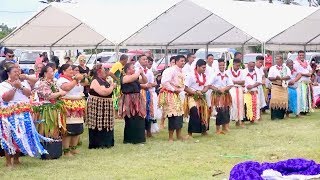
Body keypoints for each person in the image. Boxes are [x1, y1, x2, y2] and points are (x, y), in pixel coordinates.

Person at [0, 65, 49, 168]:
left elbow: (28, 94)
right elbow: (6, 98)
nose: (17, 73)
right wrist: (14, 87)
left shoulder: (23, 83)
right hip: (9, 115)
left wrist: (20, 86)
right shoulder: (3, 85)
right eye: (15, 72)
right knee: (8, 137)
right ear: (8, 73)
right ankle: (8, 162)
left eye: (19, 71)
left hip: (23, 114)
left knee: (20, 136)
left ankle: (17, 159)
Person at [56, 64, 86, 156]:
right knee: (69, 128)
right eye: (69, 70)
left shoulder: (74, 79)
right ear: (64, 71)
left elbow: (85, 83)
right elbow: (67, 88)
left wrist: (83, 77)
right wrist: (76, 80)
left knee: (78, 127)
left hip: (78, 105)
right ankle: (66, 150)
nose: (72, 72)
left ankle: (74, 148)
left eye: (72, 70)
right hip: (68, 105)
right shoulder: (61, 80)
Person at [86, 64, 116, 149]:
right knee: (97, 123)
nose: (106, 71)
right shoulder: (95, 80)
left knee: (105, 124)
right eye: (104, 69)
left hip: (105, 106)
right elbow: (103, 92)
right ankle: (98, 143)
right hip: (97, 106)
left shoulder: (103, 80)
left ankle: (107, 142)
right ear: (99, 71)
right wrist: (112, 87)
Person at [34, 65, 67, 138]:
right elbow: (48, 96)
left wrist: (60, 93)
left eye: (53, 71)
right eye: (51, 71)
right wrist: (60, 93)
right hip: (46, 109)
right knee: (48, 127)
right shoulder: (42, 83)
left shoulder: (53, 82)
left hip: (54, 107)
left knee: (56, 128)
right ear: (45, 73)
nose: (53, 73)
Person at [159, 55, 186, 142]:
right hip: (170, 95)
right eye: (181, 61)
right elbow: (164, 82)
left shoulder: (181, 71)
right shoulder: (170, 70)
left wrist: (179, 90)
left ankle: (179, 135)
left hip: (177, 95)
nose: (183, 63)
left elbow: (182, 84)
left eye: (184, 61)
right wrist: (173, 89)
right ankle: (170, 137)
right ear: (177, 61)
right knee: (172, 115)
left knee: (179, 114)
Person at [118, 63, 147, 144]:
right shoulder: (124, 78)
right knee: (130, 118)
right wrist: (138, 71)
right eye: (133, 68)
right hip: (129, 100)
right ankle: (130, 139)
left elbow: (145, 81)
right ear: (128, 70)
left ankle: (139, 139)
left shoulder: (135, 78)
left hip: (137, 99)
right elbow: (132, 78)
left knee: (139, 118)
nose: (134, 69)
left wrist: (142, 73)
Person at [184, 59, 210, 137]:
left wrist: (202, 92)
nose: (204, 69)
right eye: (203, 67)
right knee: (194, 111)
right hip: (192, 97)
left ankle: (204, 131)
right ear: (197, 66)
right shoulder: (191, 75)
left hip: (201, 96)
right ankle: (190, 133)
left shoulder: (204, 75)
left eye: (205, 68)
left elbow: (206, 86)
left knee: (205, 111)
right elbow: (185, 87)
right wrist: (195, 92)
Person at [208, 59, 233, 134]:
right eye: (220, 65)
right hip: (217, 95)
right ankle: (217, 129)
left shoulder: (227, 74)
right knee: (219, 112)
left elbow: (231, 84)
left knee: (226, 111)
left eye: (223, 65)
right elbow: (209, 85)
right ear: (218, 65)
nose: (222, 66)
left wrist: (224, 89)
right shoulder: (214, 74)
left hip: (225, 95)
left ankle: (225, 127)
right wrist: (217, 89)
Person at [134, 55, 155, 138]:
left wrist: (150, 85)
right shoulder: (136, 70)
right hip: (139, 93)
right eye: (143, 59)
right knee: (141, 112)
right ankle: (141, 131)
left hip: (148, 93)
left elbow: (153, 83)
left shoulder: (149, 71)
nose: (146, 61)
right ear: (139, 61)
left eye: (146, 59)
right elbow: (136, 82)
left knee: (148, 111)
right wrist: (144, 86)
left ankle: (148, 131)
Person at [268, 55, 291, 120]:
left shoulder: (286, 68)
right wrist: (275, 78)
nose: (277, 60)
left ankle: (281, 116)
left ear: (282, 60)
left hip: (283, 87)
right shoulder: (272, 68)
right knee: (275, 101)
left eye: (278, 59)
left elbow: (289, 76)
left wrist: (281, 78)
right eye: (276, 59)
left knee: (283, 101)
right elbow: (269, 77)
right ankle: (274, 116)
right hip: (275, 86)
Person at [226, 58, 245, 127]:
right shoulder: (228, 71)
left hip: (239, 89)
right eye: (237, 65)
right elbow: (229, 82)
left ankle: (239, 121)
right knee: (233, 104)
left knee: (240, 104)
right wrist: (237, 82)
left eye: (239, 65)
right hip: (231, 89)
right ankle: (234, 119)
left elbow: (243, 82)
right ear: (233, 64)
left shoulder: (241, 71)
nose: (238, 67)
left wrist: (234, 81)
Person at [146, 57, 160, 134]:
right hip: (148, 93)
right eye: (149, 63)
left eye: (151, 64)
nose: (150, 65)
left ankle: (153, 126)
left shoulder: (151, 71)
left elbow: (155, 83)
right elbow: (150, 84)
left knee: (153, 110)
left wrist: (153, 84)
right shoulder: (145, 72)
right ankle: (149, 129)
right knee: (149, 110)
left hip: (152, 92)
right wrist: (152, 84)